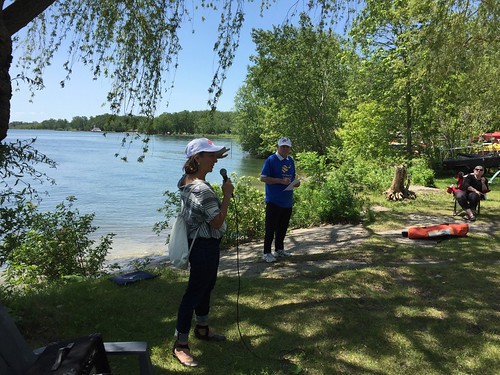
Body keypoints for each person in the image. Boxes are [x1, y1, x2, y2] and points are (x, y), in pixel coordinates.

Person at [172, 138, 234, 367]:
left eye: (216, 155)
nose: (216, 159)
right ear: (197, 158)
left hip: (198, 244)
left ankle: (202, 328)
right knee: (194, 292)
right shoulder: (201, 189)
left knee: (206, 287)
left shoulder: (185, 180)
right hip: (204, 246)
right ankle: (180, 345)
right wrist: (227, 194)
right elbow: (217, 222)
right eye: (211, 155)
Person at [260, 136, 300, 263]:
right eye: (282, 146)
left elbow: (292, 177)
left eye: (287, 147)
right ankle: (266, 252)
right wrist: (280, 181)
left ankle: (279, 250)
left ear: (289, 148)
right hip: (274, 200)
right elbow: (263, 178)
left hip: (287, 200)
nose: (285, 149)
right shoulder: (271, 160)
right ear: (278, 147)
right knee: (270, 228)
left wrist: (296, 183)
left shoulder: (290, 161)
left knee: (282, 228)